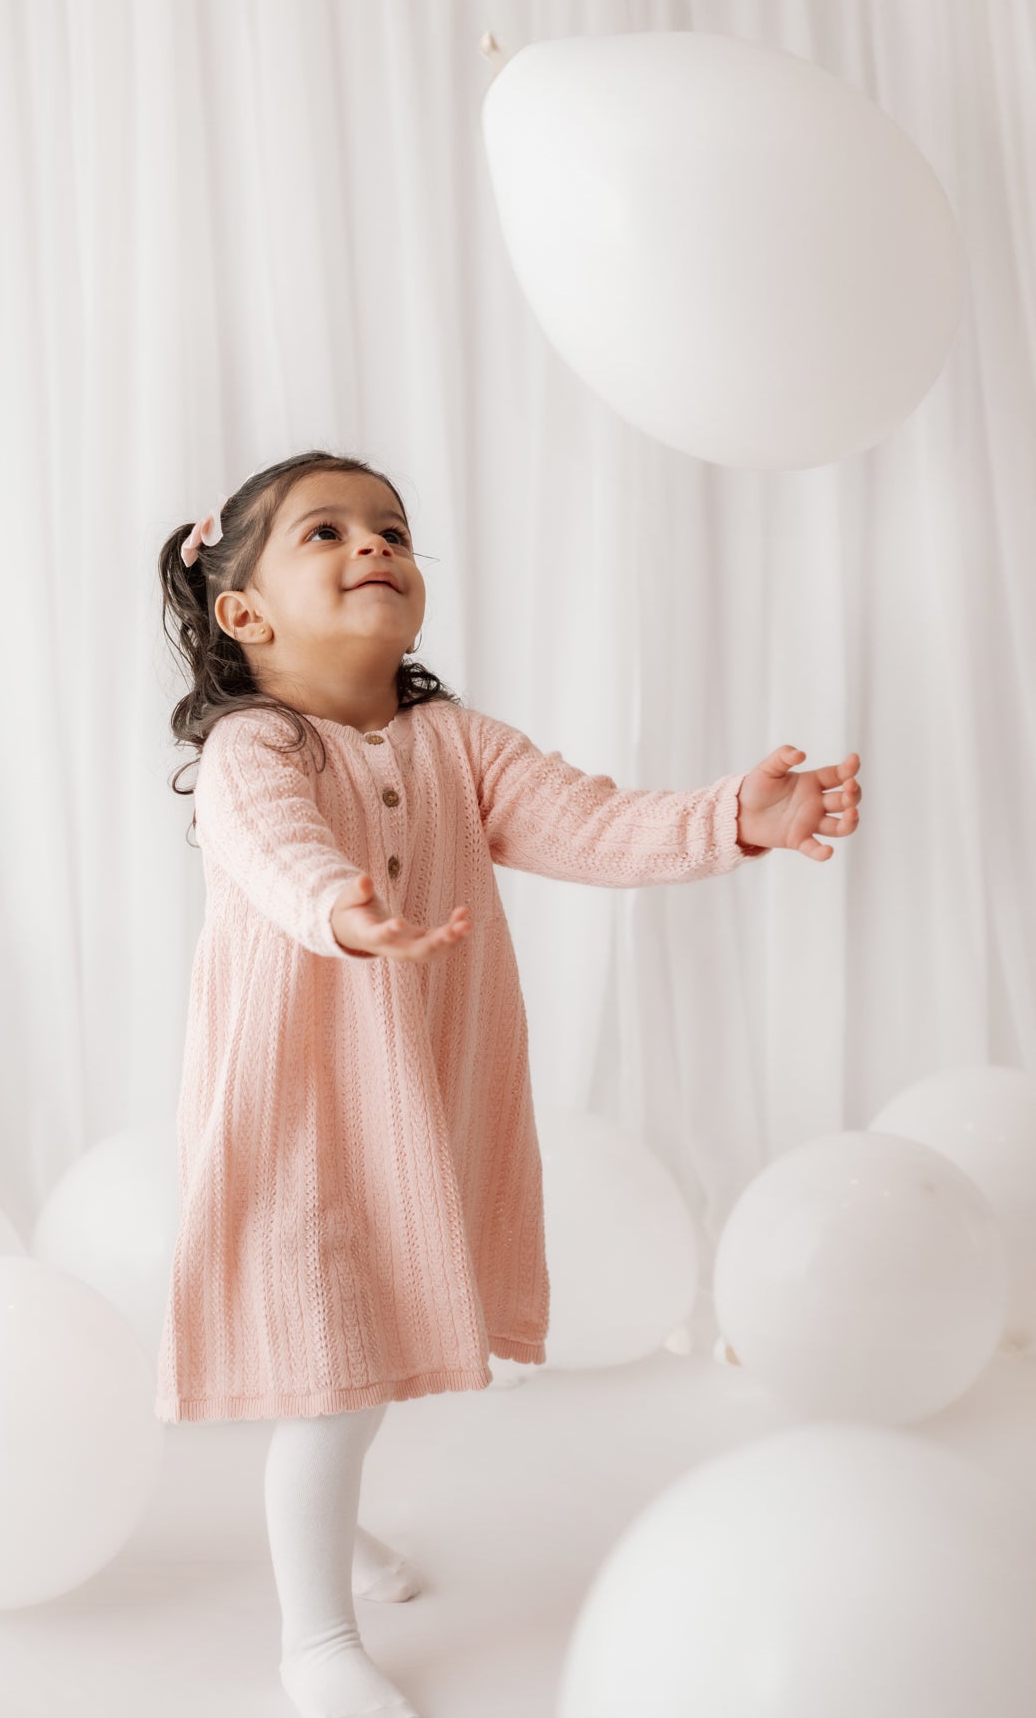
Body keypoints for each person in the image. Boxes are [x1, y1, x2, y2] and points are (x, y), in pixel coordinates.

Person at [153, 448, 863, 1718]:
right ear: (242, 612)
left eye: (392, 527)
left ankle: (331, 1521)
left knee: (364, 1351)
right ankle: (313, 1637)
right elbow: (270, 846)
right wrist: (342, 909)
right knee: (329, 1362)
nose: (374, 543)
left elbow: (586, 819)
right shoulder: (254, 746)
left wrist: (732, 818)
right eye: (326, 531)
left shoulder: (451, 740)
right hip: (305, 1108)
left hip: (414, 1102)